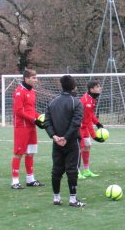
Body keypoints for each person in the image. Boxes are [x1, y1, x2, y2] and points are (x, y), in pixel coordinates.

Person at [44, 75, 85, 207]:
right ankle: (73, 200)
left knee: (56, 169)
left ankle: (56, 198)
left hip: (57, 142)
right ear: (74, 87)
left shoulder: (52, 102)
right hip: (71, 142)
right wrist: (66, 138)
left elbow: (47, 122)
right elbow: (76, 123)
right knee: (72, 170)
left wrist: (54, 136)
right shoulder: (76, 103)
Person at [11, 69, 45, 189]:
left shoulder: (32, 92)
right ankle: (15, 181)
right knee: (18, 153)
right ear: (26, 79)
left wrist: (39, 118)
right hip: (22, 127)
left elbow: (31, 110)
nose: (36, 80)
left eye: (36, 77)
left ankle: (30, 179)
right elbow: (18, 111)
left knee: (30, 153)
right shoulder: (19, 92)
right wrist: (34, 120)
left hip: (31, 125)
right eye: (33, 78)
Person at [78, 80, 105, 179]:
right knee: (79, 149)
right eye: (98, 87)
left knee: (87, 146)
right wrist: (94, 136)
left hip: (85, 128)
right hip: (79, 128)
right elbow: (83, 118)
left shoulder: (92, 99)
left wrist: (97, 123)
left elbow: (90, 115)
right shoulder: (84, 100)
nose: (100, 88)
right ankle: (76, 172)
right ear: (91, 89)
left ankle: (86, 170)